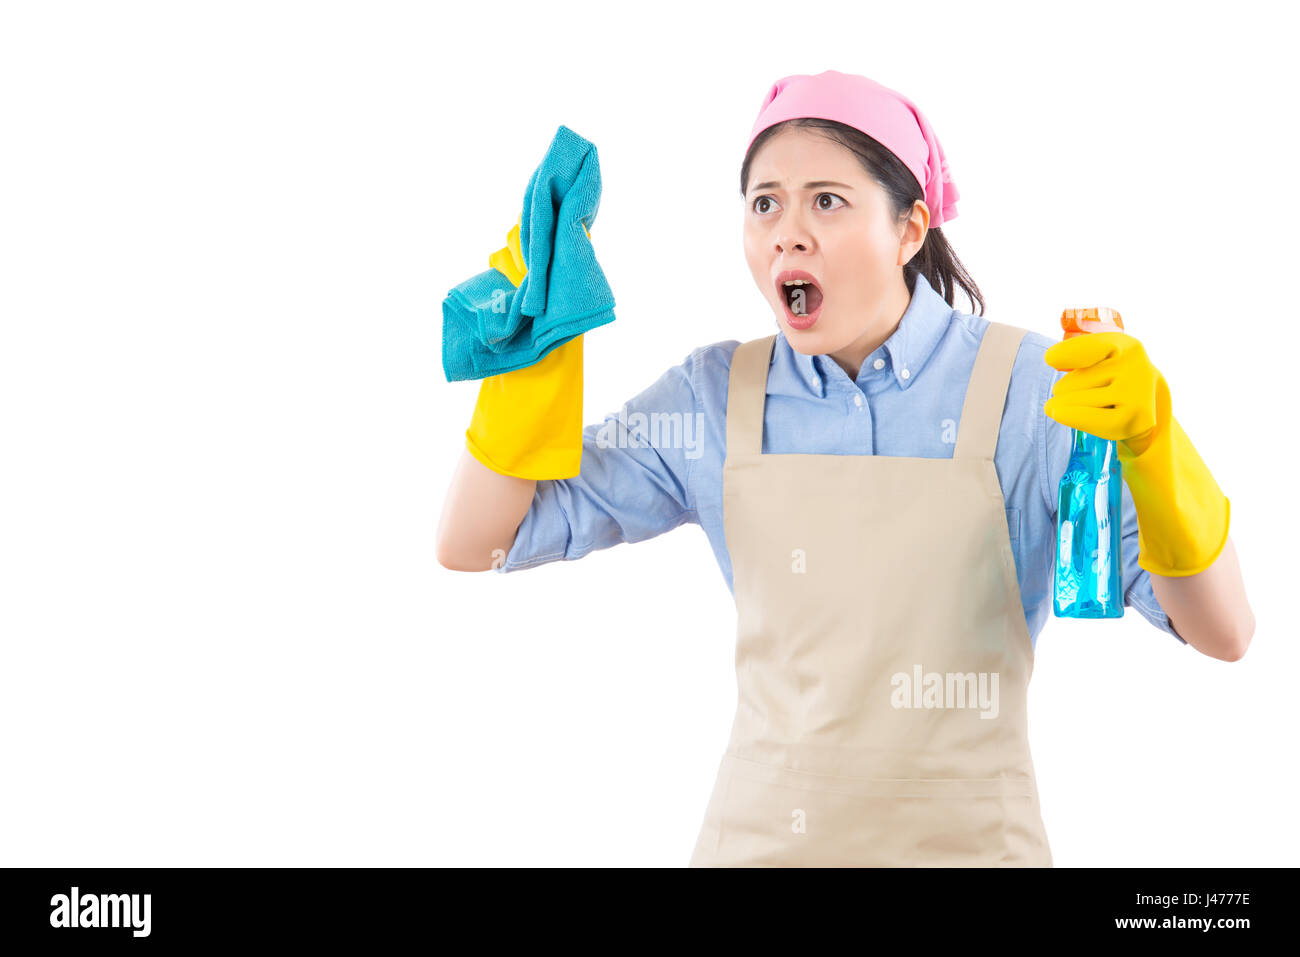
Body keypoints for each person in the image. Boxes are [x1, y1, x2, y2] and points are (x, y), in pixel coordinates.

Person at [437, 70, 1255, 866]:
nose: (788, 230)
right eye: (766, 204)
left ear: (910, 228)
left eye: (827, 200)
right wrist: (533, 354)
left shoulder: (1036, 391)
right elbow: (477, 541)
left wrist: (1155, 449)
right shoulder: (713, 399)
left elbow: (1222, 632)